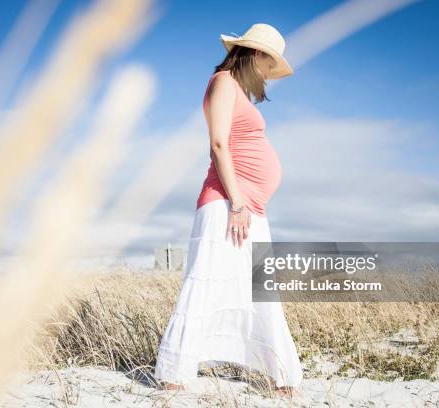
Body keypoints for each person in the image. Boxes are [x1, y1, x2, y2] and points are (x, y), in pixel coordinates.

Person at [153, 23, 304, 400]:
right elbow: (218, 144)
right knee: (205, 282)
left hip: (248, 204)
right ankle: (174, 376)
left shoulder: (238, 92)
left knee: (259, 289)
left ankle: (279, 375)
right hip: (228, 202)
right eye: (270, 64)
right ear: (255, 55)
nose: (270, 73)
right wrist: (237, 202)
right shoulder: (222, 82)